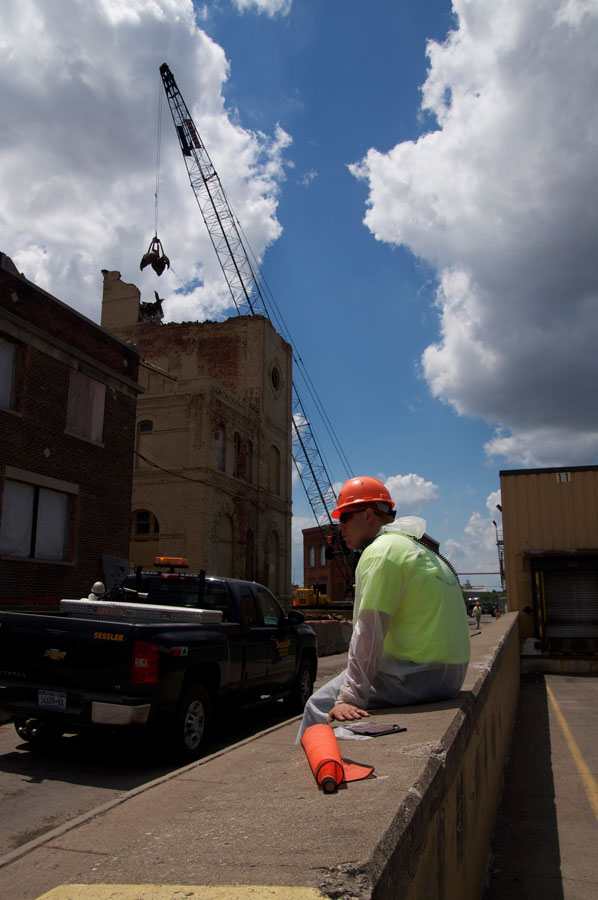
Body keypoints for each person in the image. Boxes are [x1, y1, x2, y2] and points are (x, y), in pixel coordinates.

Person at [296, 476, 471, 741]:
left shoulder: (382, 551)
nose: (339, 527)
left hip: (418, 676)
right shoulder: (418, 550)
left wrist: (349, 698)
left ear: (368, 515)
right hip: (451, 675)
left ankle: (324, 773)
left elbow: (368, 632)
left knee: (318, 706)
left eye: (345, 517)